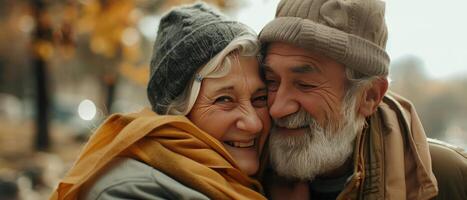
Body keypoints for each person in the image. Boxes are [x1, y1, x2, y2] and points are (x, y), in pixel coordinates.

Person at [50, 3, 270, 200]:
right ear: (176, 112)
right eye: (224, 100)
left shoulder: (253, 181)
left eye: (260, 98)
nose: (254, 123)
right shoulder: (134, 191)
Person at [258, 0, 467, 199]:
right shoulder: (243, 172)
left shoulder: (445, 177)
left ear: (370, 96)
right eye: (271, 81)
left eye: (305, 85)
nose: (278, 108)